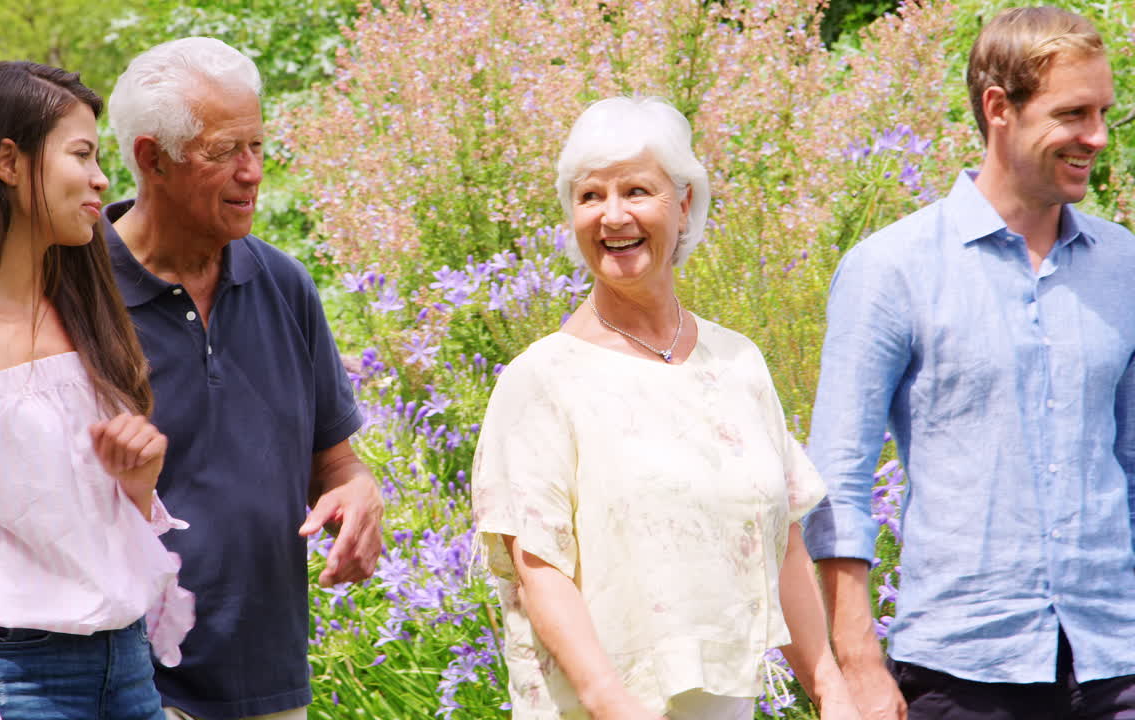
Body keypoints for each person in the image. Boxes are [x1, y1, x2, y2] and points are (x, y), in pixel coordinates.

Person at [471, 96, 859, 720]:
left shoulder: (738, 364)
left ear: (683, 204)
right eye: (590, 195)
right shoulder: (541, 380)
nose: (612, 215)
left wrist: (831, 689)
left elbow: (780, 542)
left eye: (636, 191)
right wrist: (611, 705)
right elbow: (539, 567)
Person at [804, 7, 1135, 720]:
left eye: (1104, 112)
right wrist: (857, 664)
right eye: (1073, 113)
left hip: (1117, 662)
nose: (1097, 138)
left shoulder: (1125, 268)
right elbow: (839, 480)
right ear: (998, 109)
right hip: (963, 671)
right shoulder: (890, 270)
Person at [0, 61, 193, 720]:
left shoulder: (88, 315)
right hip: (20, 683)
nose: (103, 179)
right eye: (82, 154)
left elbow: (90, 528)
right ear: (9, 163)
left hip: (127, 669)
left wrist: (137, 481)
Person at [103, 37, 384, 720]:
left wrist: (360, 492)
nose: (252, 172)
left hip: (272, 684)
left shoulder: (284, 284)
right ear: (151, 158)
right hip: (130, 688)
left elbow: (337, 461)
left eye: (256, 147)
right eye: (224, 151)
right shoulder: (79, 295)